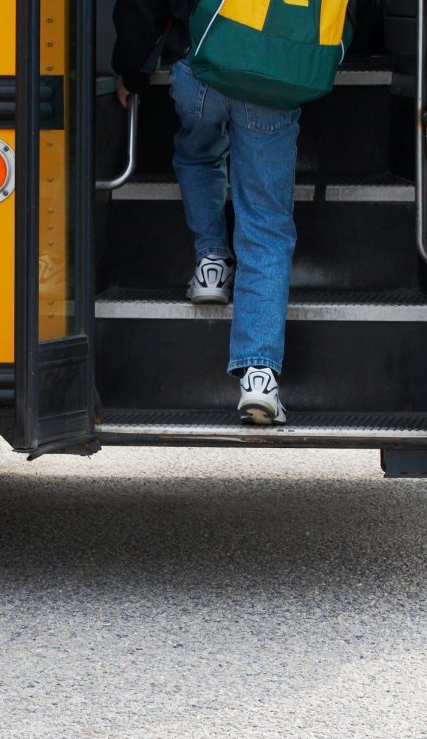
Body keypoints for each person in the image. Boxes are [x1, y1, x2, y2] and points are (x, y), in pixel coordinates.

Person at [112, 0, 301, 426]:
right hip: (272, 76)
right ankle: (258, 376)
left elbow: (140, 8)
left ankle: (212, 262)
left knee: (198, 155)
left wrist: (131, 70)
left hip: (198, 70)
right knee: (266, 224)